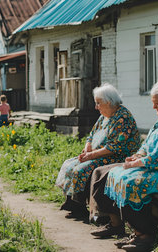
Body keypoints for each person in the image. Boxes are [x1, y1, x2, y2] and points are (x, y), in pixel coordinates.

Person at [90, 80, 158, 252]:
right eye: (153, 104)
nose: (155, 108)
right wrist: (137, 156)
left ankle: (145, 235)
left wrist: (137, 163)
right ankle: (136, 231)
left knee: (131, 183)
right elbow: (148, 145)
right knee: (115, 175)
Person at [55, 83, 140, 220]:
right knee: (69, 164)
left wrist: (90, 155)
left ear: (109, 102)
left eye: (98, 103)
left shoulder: (122, 118)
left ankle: (80, 206)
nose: (96, 107)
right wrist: (88, 146)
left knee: (82, 169)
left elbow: (114, 147)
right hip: (99, 153)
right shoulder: (104, 116)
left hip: (118, 156)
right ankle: (72, 202)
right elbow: (91, 134)